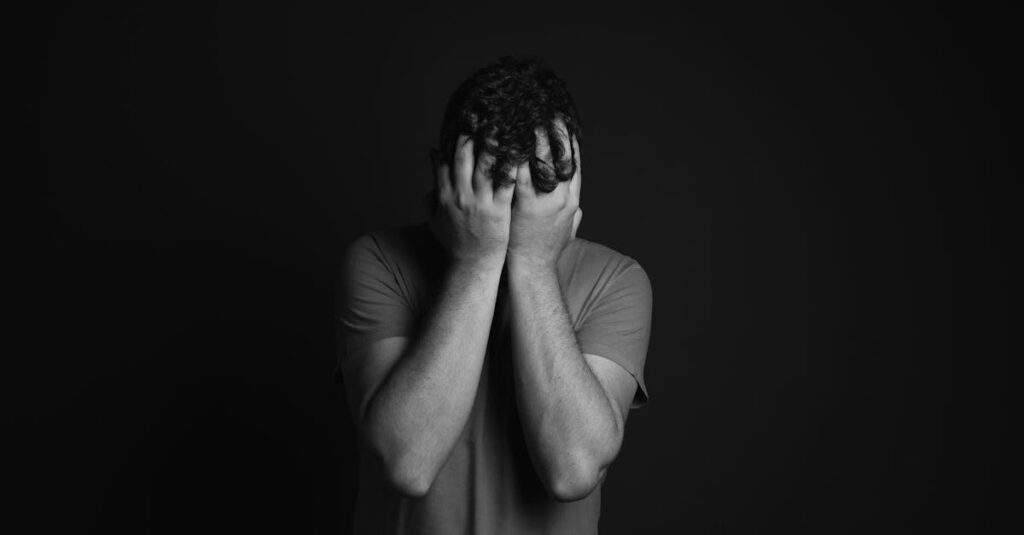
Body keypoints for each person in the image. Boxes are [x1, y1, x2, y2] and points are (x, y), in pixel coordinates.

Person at [335, 55, 653, 534]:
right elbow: (406, 463)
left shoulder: (617, 279)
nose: (512, 209)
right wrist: (476, 261)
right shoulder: (378, 261)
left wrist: (533, 263)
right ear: (443, 176)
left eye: (537, 186)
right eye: (496, 184)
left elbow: (573, 469)